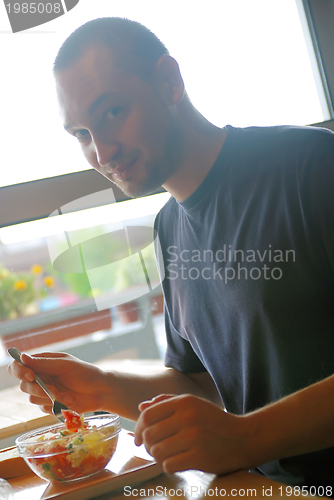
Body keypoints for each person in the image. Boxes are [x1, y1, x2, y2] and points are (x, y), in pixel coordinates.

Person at [8, 17, 334, 489]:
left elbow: (239, 429)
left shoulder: (312, 167)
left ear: (169, 81)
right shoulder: (170, 226)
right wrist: (104, 388)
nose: (102, 150)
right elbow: (208, 385)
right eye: (80, 133)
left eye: (112, 113)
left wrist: (245, 439)